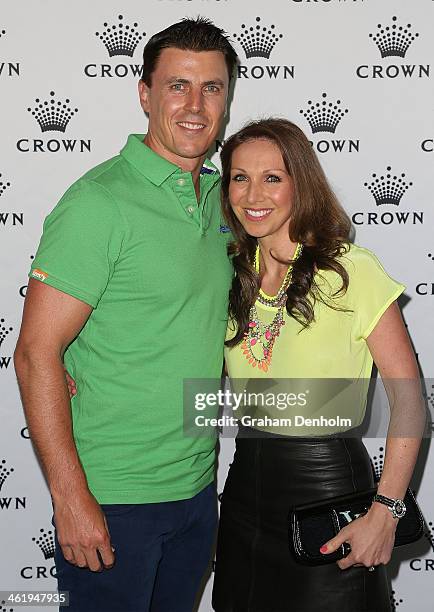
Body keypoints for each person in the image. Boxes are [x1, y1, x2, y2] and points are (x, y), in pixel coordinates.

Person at [13, 17, 237, 612]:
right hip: (111, 499)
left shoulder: (229, 198)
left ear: (227, 99)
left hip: (195, 490)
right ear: (145, 94)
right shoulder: (98, 203)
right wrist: (69, 497)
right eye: (177, 85)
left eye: (211, 88)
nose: (195, 105)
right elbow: (36, 353)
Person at [211, 118, 424, 612]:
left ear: (300, 183)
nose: (252, 193)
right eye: (239, 177)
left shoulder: (351, 270)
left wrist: (386, 511)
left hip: (327, 493)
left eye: (272, 177)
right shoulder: (231, 273)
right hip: (244, 495)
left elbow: (409, 401)